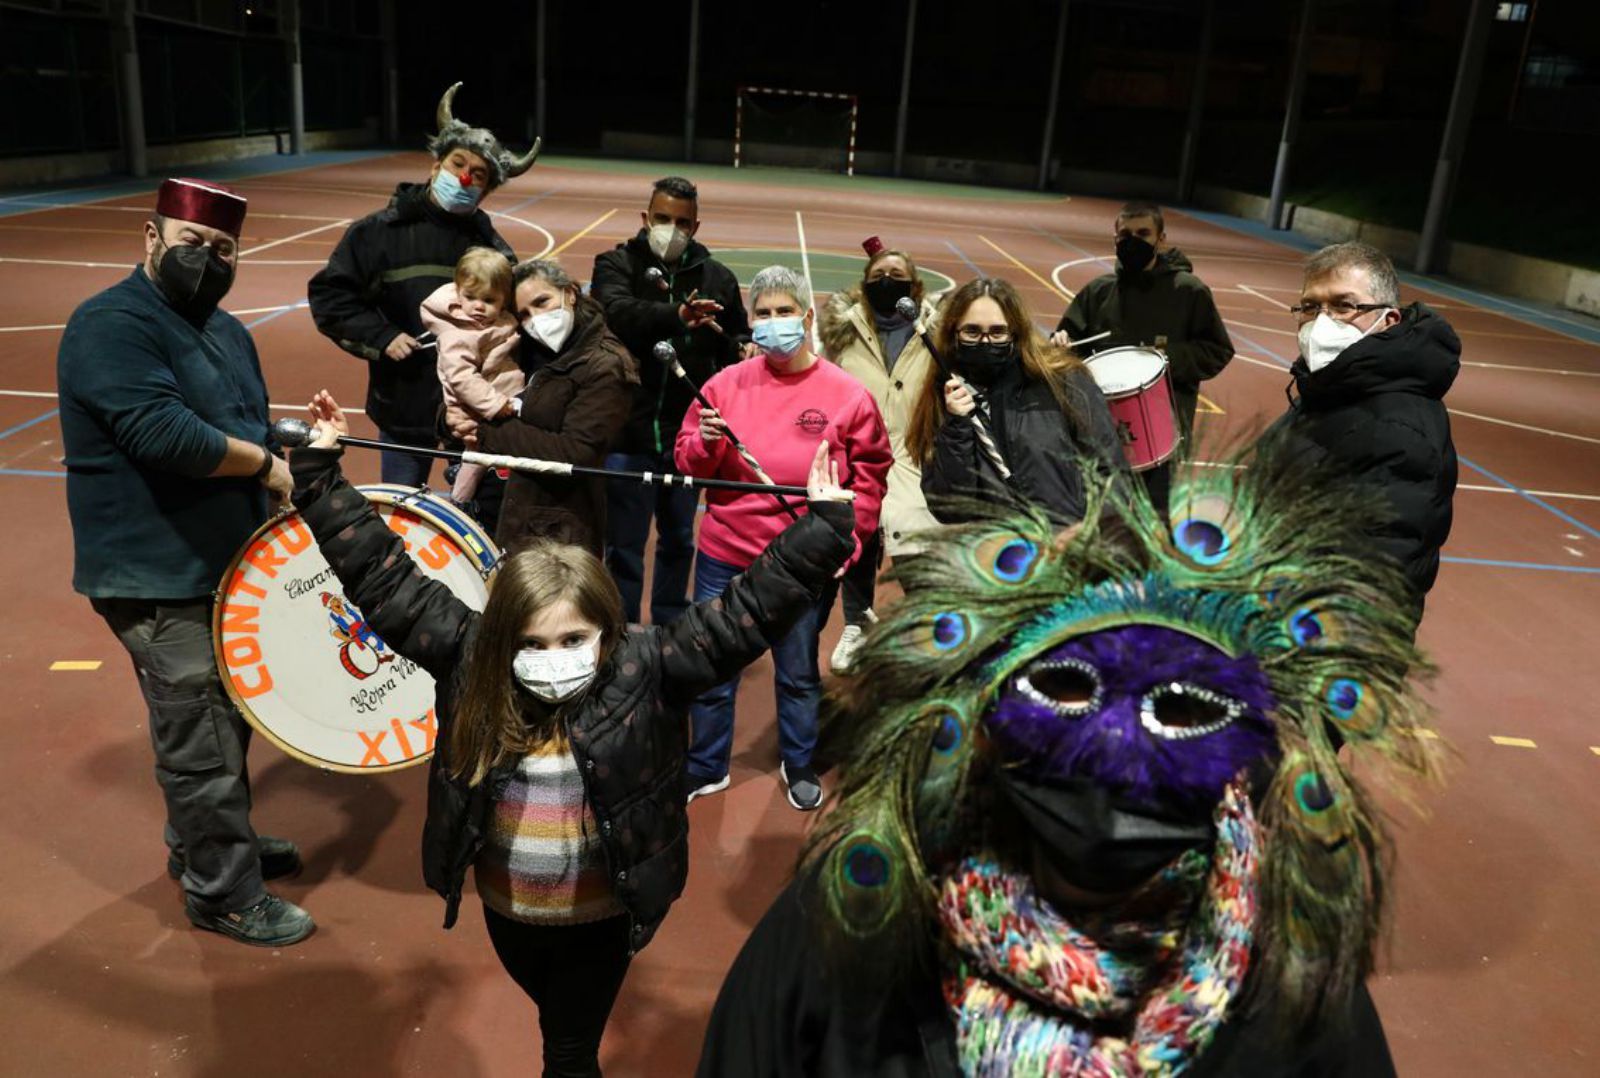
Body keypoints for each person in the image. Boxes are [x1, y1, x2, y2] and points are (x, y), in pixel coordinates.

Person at [699, 434, 1443, 1076]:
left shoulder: (1296, 985)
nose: (1116, 752)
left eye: (1179, 711)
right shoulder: (844, 919)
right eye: (1068, 692)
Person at [291, 390, 856, 1077]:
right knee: (550, 1010)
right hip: (507, 912)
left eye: (573, 638)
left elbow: (748, 610)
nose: (553, 654)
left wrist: (825, 526)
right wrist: (319, 473)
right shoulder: (473, 659)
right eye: (533, 641)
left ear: (607, 632)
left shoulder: (651, 667)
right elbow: (382, 577)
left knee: (567, 1045)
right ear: (502, 638)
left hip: (603, 917)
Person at [56, 178, 312, 946]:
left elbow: (243, 421)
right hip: (154, 573)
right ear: (151, 237)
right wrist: (268, 467)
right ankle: (223, 891)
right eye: (193, 244)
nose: (208, 261)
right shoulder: (110, 325)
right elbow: (168, 436)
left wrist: (294, 441)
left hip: (222, 569)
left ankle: (204, 841)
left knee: (228, 717)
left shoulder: (227, 330)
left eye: (224, 249)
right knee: (199, 734)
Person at [674, 265, 892, 811]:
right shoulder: (723, 386)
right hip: (726, 554)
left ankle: (799, 762)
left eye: (784, 313)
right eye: (763, 315)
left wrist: (849, 543)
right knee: (714, 667)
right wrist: (702, 442)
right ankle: (706, 765)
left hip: (800, 562)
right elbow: (690, 462)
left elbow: (870, 478)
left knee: (797, 673)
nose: (774, 325)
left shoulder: (847, 395)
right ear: (751, 322)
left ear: (808, 317)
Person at [308, 82, 535, 486]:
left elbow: (517, 316)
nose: (465, 178)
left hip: (469, 417)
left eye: (478, 175)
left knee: (468, 522)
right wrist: (381, 337)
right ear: (436, 167)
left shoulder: (491, 249)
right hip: (402, 410)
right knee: (400, 514)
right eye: (457, 164)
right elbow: (330, 296)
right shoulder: (377, 233)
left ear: (487, 190)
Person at [1265, 241, 1459, 619]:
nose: (1322, 322)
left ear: (1388, 320)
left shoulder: (1397, 431)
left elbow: (1370, 583)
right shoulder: (1329, 393)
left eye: (1343, 305)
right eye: (1309, 306)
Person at [591, 176, 751, 626]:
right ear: (645, 219)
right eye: (662, 219)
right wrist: (677, 316)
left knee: (680, 538)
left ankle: (665, 626)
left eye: (682, 222)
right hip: (627, 435)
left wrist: (743, 346)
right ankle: (619, 631)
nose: (672, 229)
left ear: (695, 227)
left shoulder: (717, 277)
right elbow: (617, 314)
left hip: (688, 440)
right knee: (623, 545)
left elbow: (734, 337)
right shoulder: (615, 264)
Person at [448, 259, 640, 558]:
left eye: (542, 301)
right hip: (491, 514)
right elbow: (472, 387)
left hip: (551, 537)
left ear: (571, 293)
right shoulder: (517, 342)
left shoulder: (607, 364)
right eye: (524, 313)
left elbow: (573, 454)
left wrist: (486, 431)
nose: (536, 320)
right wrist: (448, 418)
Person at [1051, 200, 1234, 514]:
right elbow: (1069, 348)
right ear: (1115, 240)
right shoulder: (1098, 292)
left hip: (1162, 429)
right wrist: (1060, 345)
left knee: (1155, 519)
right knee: (1100, 515)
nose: (1133, 241)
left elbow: (1217, 350)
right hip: (1103, 428)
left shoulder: (1188, 292)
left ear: (1161, 239)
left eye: (1143, 233)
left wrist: (1163, 360)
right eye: (1125, 235)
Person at [909, 276, 1126, 526]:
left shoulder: (1064, 381)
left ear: (1016, 333)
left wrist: (1088, 535)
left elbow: (1110, 473)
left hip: (1067, 551)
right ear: (953, 334)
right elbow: (950, 508)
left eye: (998, 332)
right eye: (972, 331)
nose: (985, 341)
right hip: (994, 557)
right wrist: (956, 428)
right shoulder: (945, 398)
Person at [817, 238, 941, 673]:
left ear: (916, 286)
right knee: (857, 539)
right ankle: (857, 624)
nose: (887, 284)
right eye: (878, 278)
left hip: (915, 457)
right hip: (859, 458)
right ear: (864, 285)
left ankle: (922, 627)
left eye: (897, 278)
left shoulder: (936, 331)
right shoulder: (842, 331)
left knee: (916, 544)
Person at [421, 246, 524, 510]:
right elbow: (462, 379)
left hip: (501, 401)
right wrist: (497, 404)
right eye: (470, 297)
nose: (478, 306)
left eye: (489, 300)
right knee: (476, 457)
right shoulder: (457, 334)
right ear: (457, 293)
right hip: (479, 407)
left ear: (504, 300)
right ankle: (460, 497)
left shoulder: (496, 323)